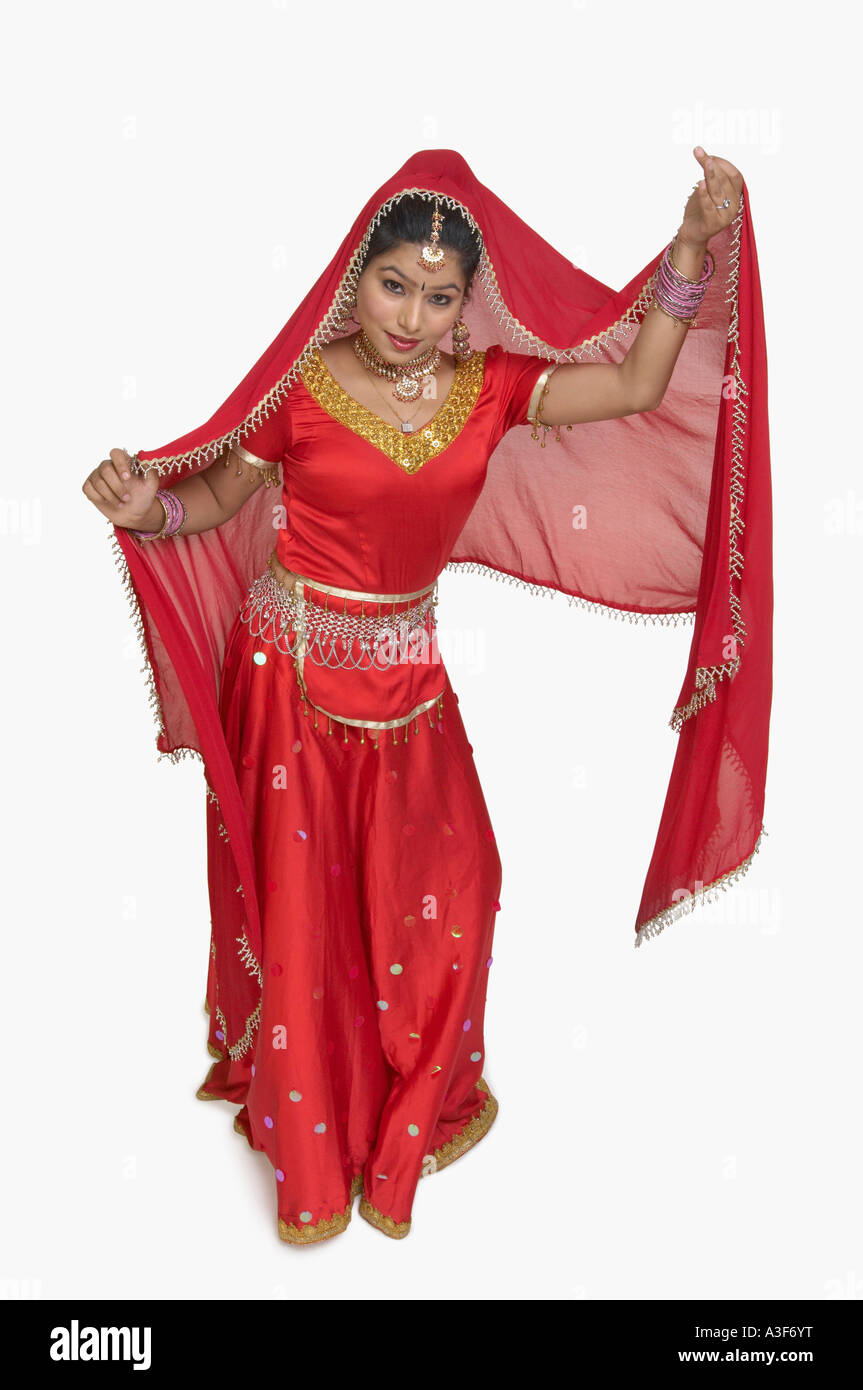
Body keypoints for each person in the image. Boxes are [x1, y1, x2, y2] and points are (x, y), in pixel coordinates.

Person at [83, 148, 772, 1245]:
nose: (410, 314)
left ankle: (403, 1119)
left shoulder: (488, 387)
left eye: (439, 293)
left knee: (459, 886)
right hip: (291, 678)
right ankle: (314, 1154)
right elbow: (213, 498)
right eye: (394, 283)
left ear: (468, 303)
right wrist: (146, 512)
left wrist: (687, 255)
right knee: (307, 917)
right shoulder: (302, 388)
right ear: (357, 277)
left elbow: (639, 386)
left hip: (408, 680)